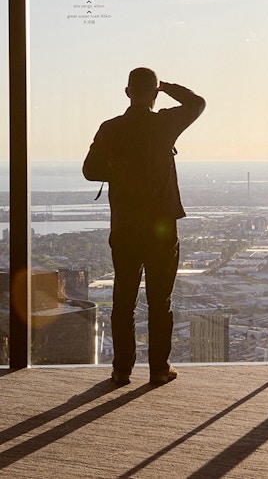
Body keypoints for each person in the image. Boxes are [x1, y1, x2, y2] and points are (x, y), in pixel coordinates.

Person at [83, 68, 205, 385]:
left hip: (125, 226)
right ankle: (159, 370)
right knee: (159, 301)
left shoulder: (111, 129)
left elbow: (90, 170)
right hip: (161, 227)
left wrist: (121, 171)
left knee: (124, 299)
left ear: (127, 92)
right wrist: (166, 87)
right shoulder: (164, 124)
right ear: (153, 93)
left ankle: (122, 369)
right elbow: (197, 103)